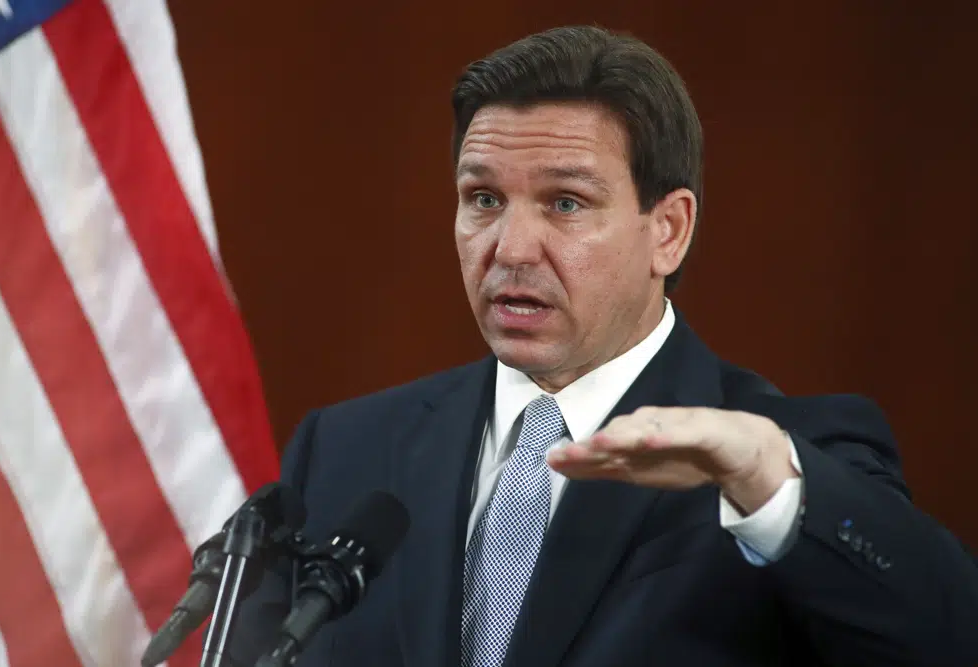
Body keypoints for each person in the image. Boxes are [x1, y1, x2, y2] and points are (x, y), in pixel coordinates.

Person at [226, 25, 978, 667]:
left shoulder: (783, 457)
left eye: (565, 202)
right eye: (483, 198)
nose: (511, 246)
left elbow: (946, 634)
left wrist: (768, 480)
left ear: (669, 229)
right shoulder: (345, 450)